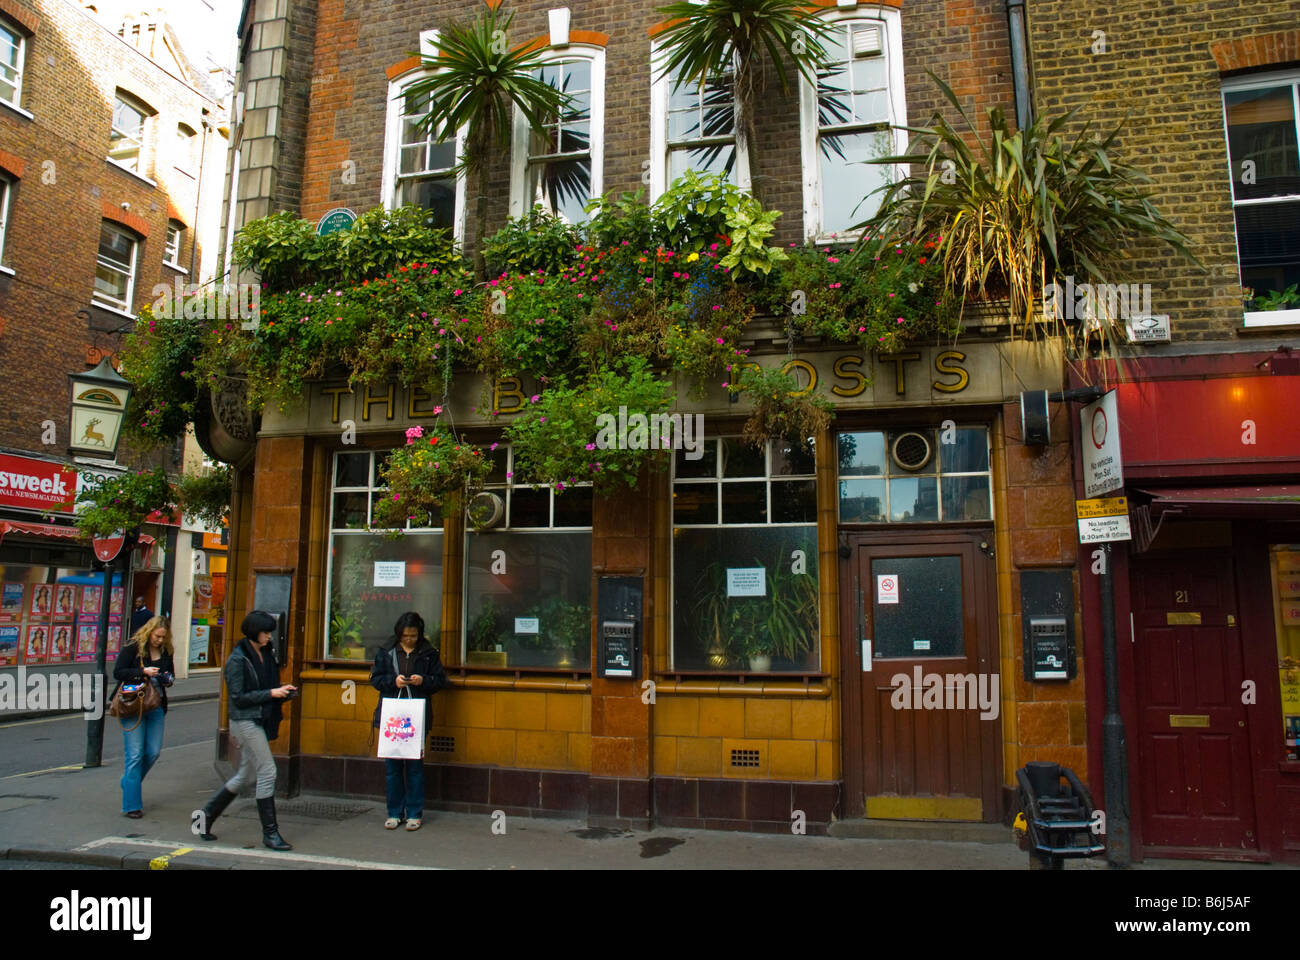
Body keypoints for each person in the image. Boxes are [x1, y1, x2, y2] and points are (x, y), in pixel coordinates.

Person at [197, 610, 296, 850]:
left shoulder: (264, 654)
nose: (269, 636)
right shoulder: (237, 660)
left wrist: (281, 691)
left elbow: (265, 687)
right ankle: (270, 834)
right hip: (245, 721)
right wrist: (272, 694)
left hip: (258, 718)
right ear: (255, 632)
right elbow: (238, 697)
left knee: (247, 776)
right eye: (265, 632)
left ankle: (204, 818)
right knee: (268, 771)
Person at [370, 611, 448, 831]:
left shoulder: (429, 653)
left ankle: (414, 813)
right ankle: (394, 812)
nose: (409, 639)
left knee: (415, 767)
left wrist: (423, 680)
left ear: (419, 634)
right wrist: (392, 681)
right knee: (392, 767)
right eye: (405, 636)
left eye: (413, 635)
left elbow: (440, 681)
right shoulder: (386, 651)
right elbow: (375, 679)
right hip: (392, 714)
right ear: (399, 634)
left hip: (417, 714)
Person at [111, 616, 176, 818]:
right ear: (150, 632)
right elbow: (118, 672)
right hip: (133, 705)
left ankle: (127, 782)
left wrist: (167, 679)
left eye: (163, 637)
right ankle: (132, 806)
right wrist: (143, 671)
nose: (159, 640)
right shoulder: (134, 647)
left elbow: (170, 674)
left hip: (155, 704)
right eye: (157, 636)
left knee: (153, 752)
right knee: (135, 754)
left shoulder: (166, 651)